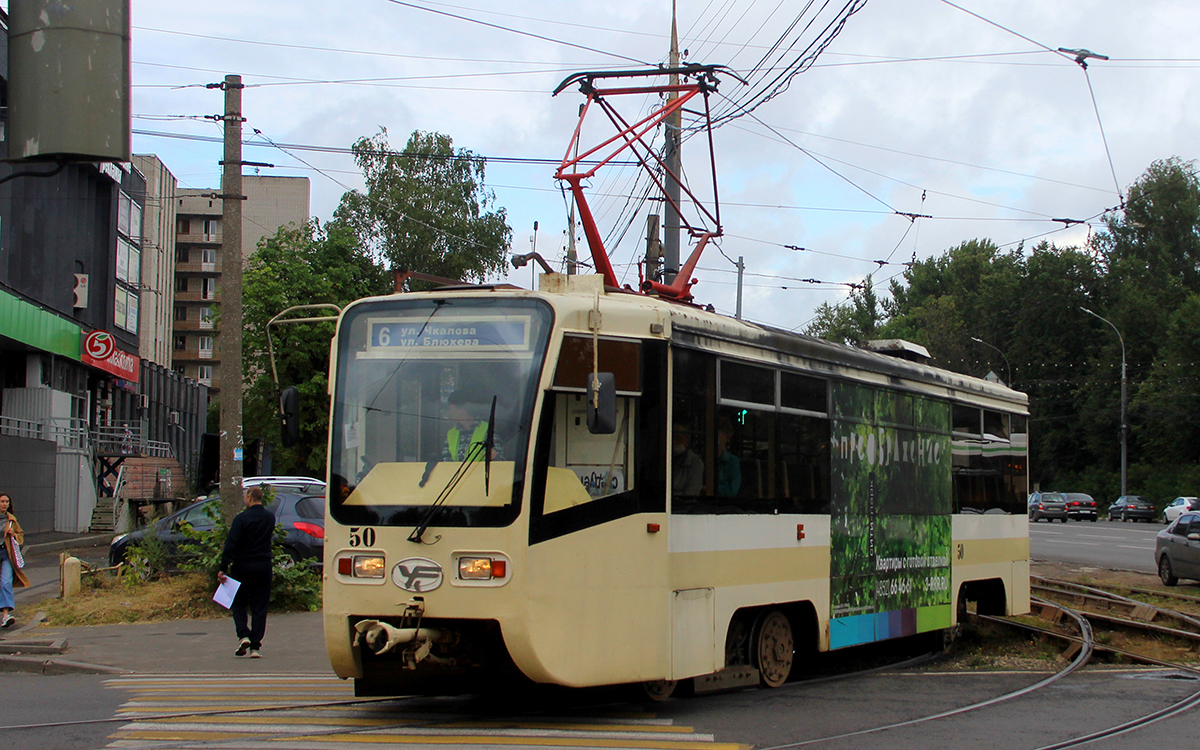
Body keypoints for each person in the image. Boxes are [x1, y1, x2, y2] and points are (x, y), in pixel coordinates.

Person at [217, 486, 275, 658]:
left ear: (250, 497)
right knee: (259, 606)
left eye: (245, 495)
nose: (244, 498)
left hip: (242, 566)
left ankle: (243, 635)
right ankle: (256, 647)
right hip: (263, 566)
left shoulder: (241, 519)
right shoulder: (269, 518)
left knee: (238, 602)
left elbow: (231, 543)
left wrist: (223, 567)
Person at [1, 493, 30, 628]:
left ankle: (6, 615)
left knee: (6, 581)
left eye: (7, 501)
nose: (5, 504)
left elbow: (20, 535)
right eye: (2, 501)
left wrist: (14, 534)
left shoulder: (11, 519)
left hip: (7, 554)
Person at [442, 391, 491, 462]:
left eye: (450, 409)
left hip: (481, 473)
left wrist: (494, 455)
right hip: (457, 473)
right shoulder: (451, 434)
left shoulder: (488, 430)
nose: (448, 412)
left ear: (462, 409)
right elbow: (446, 463)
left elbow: (500, 462)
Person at [671, 429, 704, 497]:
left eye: (677, 438)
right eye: (672, 437)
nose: (673, 441)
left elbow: (690, 495)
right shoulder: (663, 459)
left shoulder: (695, 463)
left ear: (687, 441)